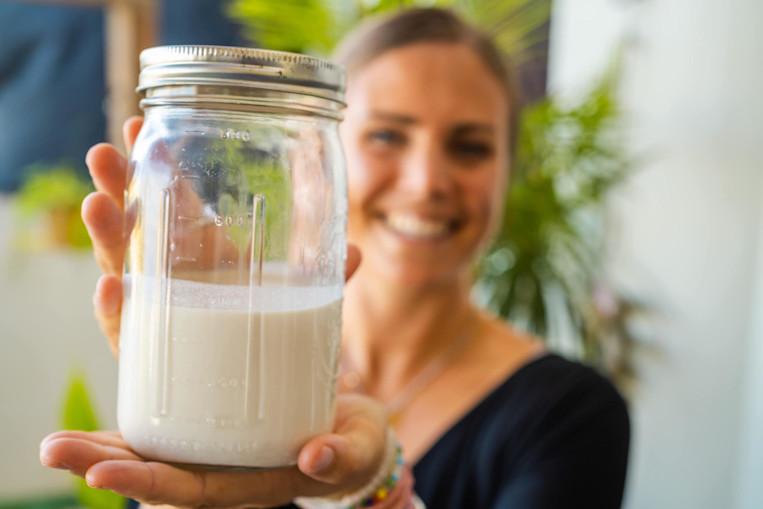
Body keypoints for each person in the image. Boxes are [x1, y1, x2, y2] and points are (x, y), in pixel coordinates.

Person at [39, 8, 630, 508]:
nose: (427, 182)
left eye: (470, 146)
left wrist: (376, 489)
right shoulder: (196, 379)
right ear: (316, 162)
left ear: (511, 169)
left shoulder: (571, 414)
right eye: (388, 136)